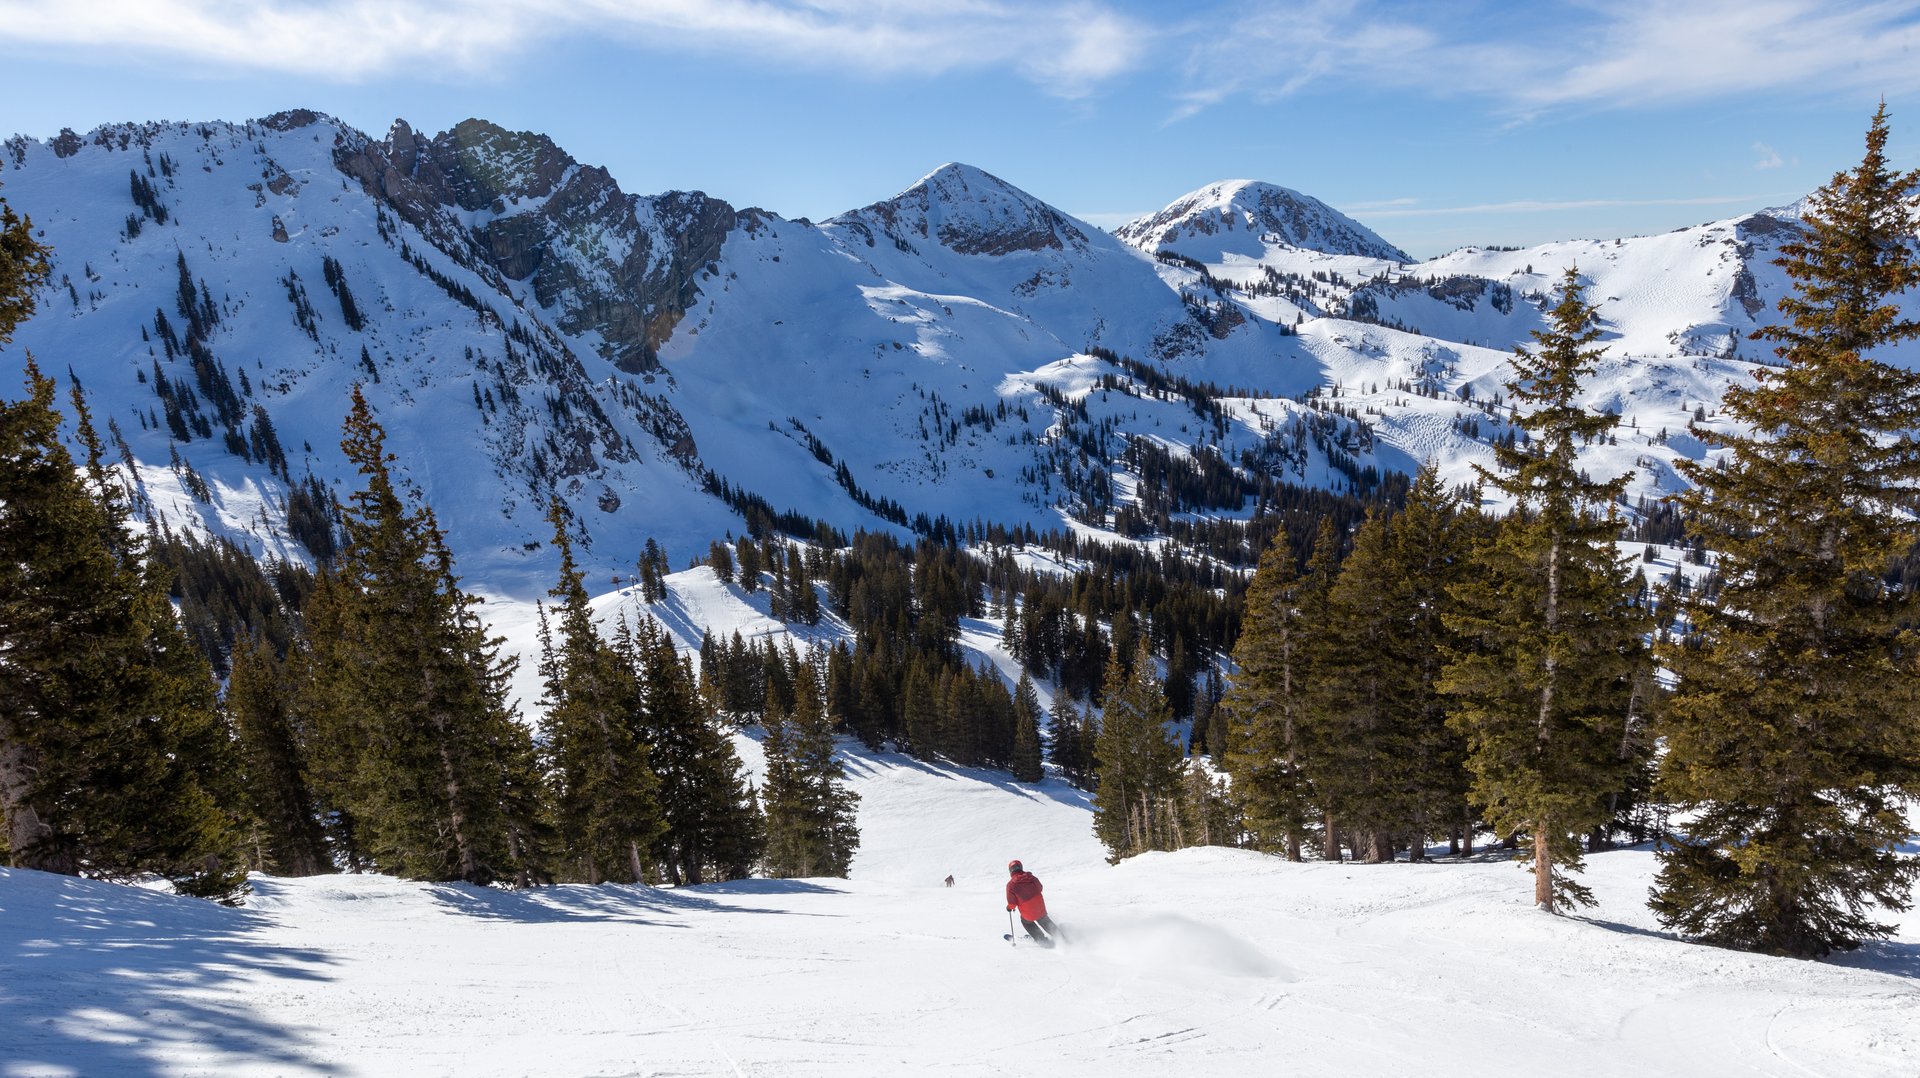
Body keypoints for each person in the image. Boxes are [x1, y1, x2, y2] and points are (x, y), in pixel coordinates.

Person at [1004, 859, 1065, 946]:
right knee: (1044, 920)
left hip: (1028, 914)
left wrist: (1009, 908)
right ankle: (1061, 938)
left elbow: (1012, 904)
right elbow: (1040, 888)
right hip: (1040, 909)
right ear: (1021, 867)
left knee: (1027, 922)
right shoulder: (1031, 877)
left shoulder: (1011, 885)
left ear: (1010, 870)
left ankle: (1042, 940)